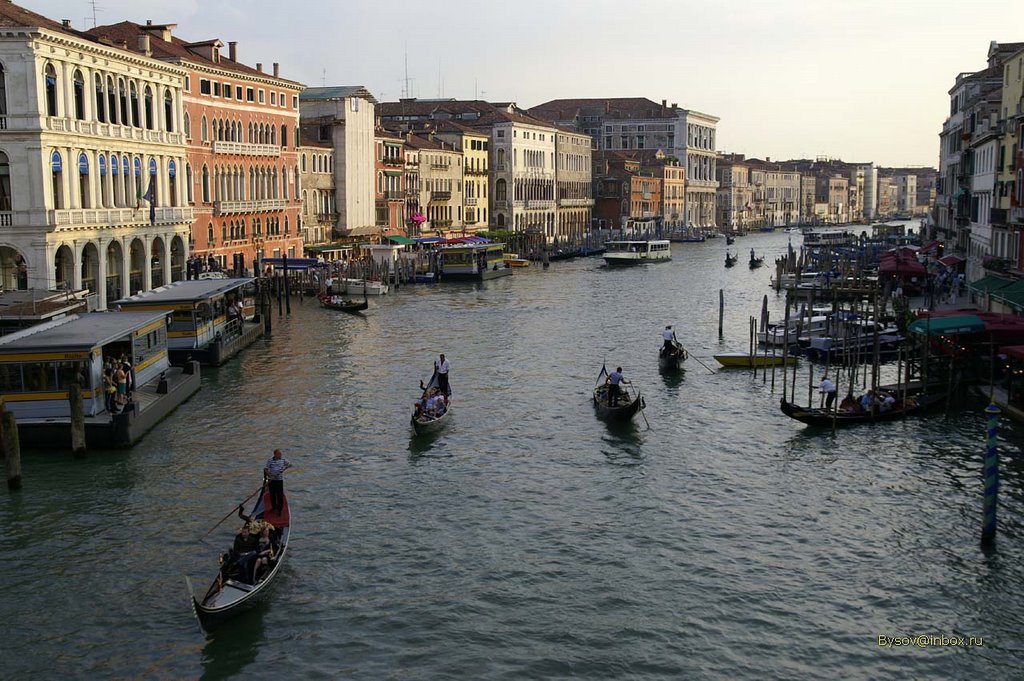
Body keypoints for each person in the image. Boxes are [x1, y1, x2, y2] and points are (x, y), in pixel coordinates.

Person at [264, 449, 292, 514]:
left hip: (279, 480)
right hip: (272, 480)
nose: (280, 455)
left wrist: (288, 466)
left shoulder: (283, 460)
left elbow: (290, 464)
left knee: (280, 495)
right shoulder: (270, 461)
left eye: (281, 454)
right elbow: (266, 469)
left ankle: (280, 509)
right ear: (275, 454)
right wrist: (269, 474)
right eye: (279, 454)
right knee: (272, 494)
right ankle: (273, 507)